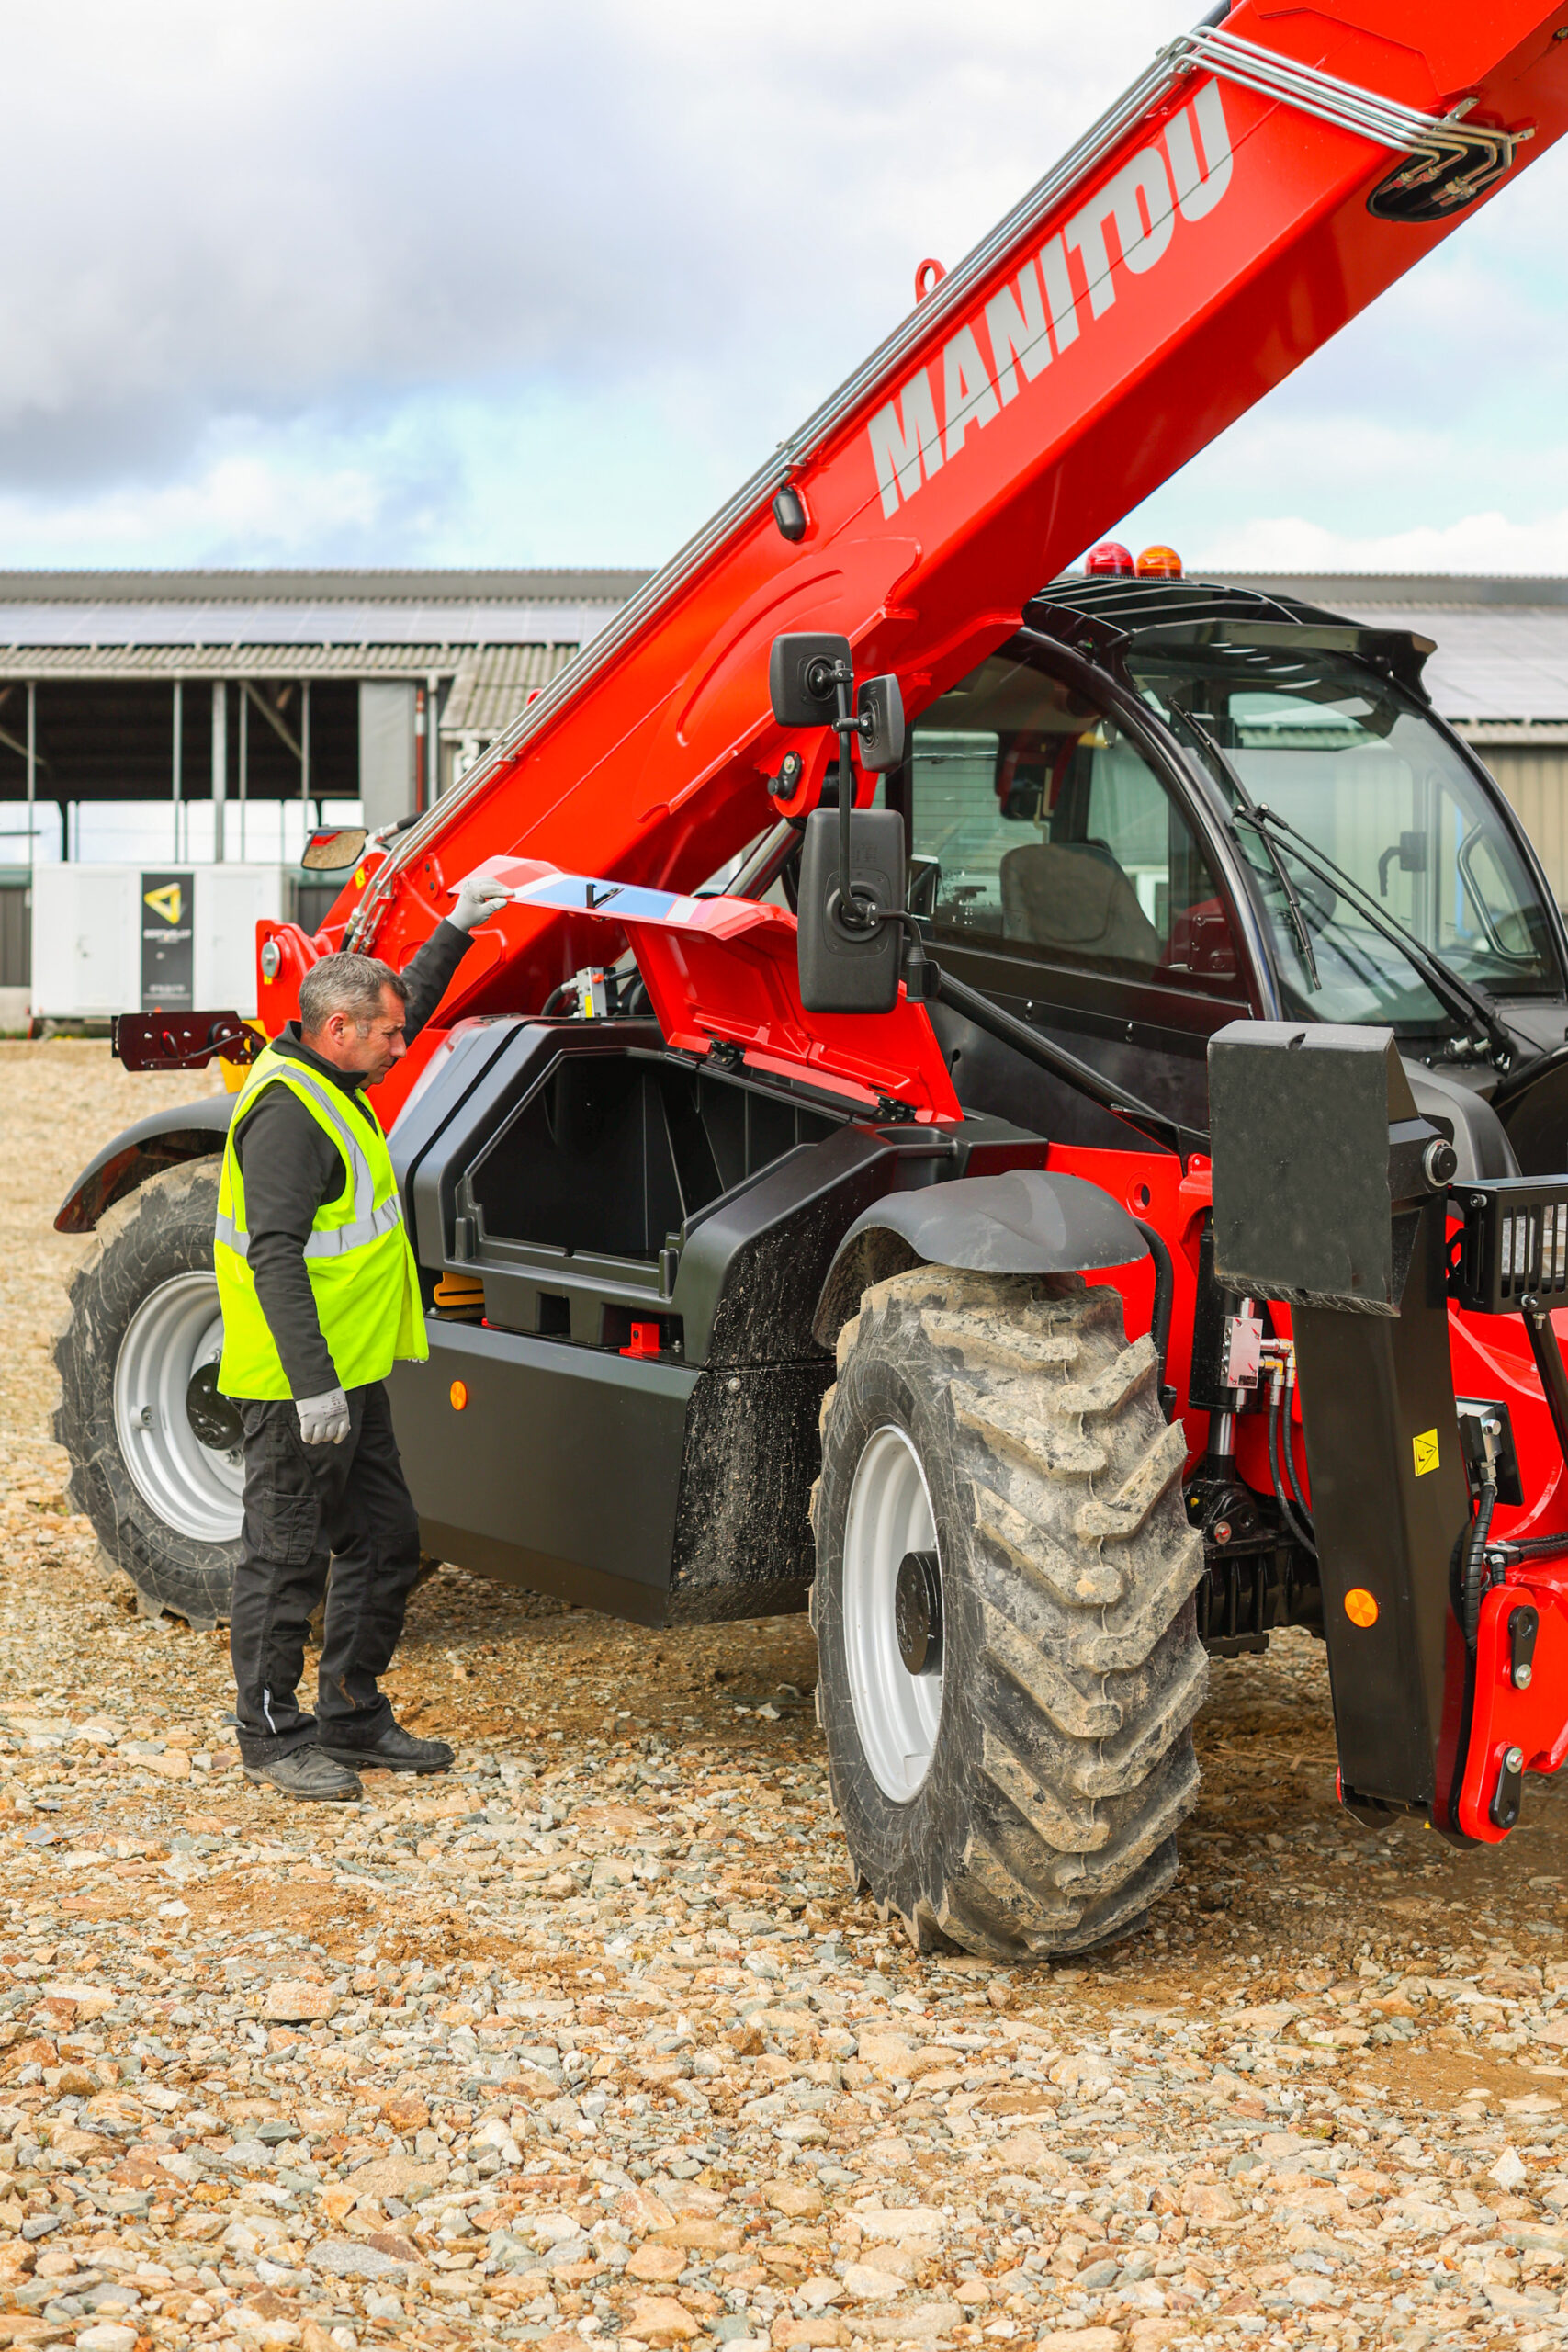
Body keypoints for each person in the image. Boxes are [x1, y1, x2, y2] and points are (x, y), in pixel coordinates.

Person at [213, 870, 508, 1802]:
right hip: (298, 1383)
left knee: (385, 1538)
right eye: (385, 1034)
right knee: (286, 1553)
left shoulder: (330, 1064)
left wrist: (460, 924)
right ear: (338, 1031)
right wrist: (314, 1390)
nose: (400, 1043)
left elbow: (398, 997)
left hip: (351, 1369)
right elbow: (274, 1259)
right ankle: (270, 1734)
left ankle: (351, 1711)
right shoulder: (287, 1118)